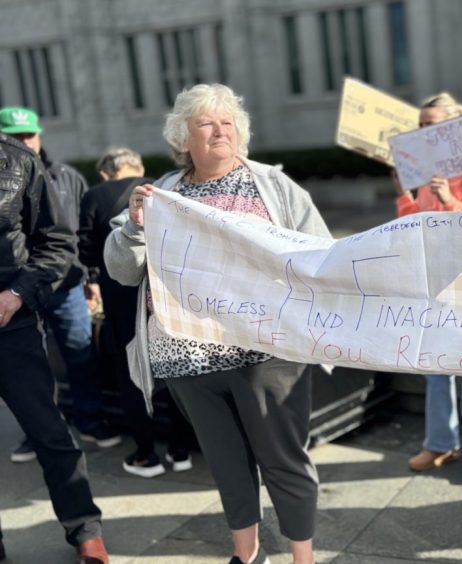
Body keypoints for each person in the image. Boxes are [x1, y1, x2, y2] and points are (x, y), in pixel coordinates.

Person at [105, 83, 327, 564]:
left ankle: (303, 558)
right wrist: (134, 227)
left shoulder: (274, 186)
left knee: (284, 460)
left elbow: (320, 257)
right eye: (206, 123)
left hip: (266, 354)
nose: (219, 130)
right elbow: (123, 271)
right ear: (183, 137)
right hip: (186, 360)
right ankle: (247, 555)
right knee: (226, 464)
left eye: (227, 122)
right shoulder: (159, 194)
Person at [0, 132, 109, 562]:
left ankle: (85, 529)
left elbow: (57, 244)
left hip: (14, 326)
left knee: (50, 432)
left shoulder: (18, 160)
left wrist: (16, 296)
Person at [393, 92, 462, 485]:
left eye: (433, 125)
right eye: (421, 126)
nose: (423, 132)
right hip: (433, 279)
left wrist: (449, 198)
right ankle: (440, 443)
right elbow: (415, 227)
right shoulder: (422, 173)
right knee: (435, 368)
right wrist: (404, 196)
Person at [0, 106, 120, 463]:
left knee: (79, 354)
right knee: (29, 368)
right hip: (19, 289)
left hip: (65, 284)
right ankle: (36, 433)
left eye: (29, 135)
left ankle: (89, 421)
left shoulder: (68, 177)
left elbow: (82, 233)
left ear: (39, 135)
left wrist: (92, 280)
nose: (24, 142)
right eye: (15, 136)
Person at [78, 146, 193, 477]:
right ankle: (180, 450)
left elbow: (85, 250)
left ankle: (146, 455)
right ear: (139, 166)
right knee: (172, 370)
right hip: (163, 295)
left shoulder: (95, 195)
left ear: (105, 172)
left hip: (121, 296)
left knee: (130, 374)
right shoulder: (161, 187)